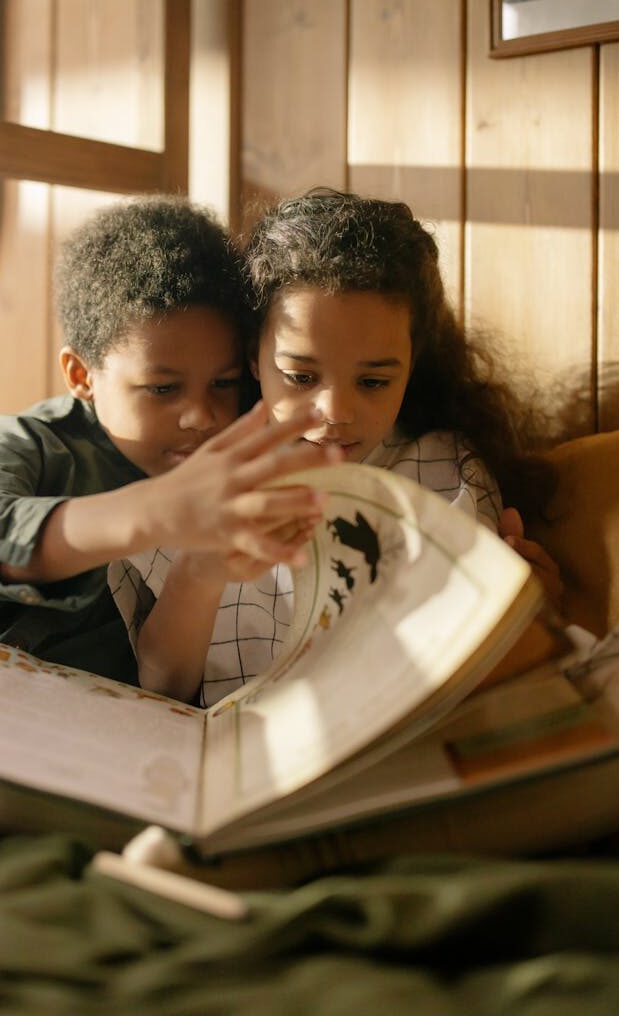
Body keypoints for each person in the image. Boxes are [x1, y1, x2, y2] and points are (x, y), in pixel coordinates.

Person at [110, 188, 564, 704]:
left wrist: (533, 613)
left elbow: (484, 656)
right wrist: (200, 571)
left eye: (373, 382)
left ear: (411, 364)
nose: (336, 412)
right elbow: (163, 684)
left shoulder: (448, 471)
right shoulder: (200, 474)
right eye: (301, 376)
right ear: (254, 358)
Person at [0, 196, 339, 682]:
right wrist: (149, 512)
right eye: (162, 389)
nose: (201, 416)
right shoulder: (31, 441)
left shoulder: (241, 456)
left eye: (223, 383)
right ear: (81, 375)